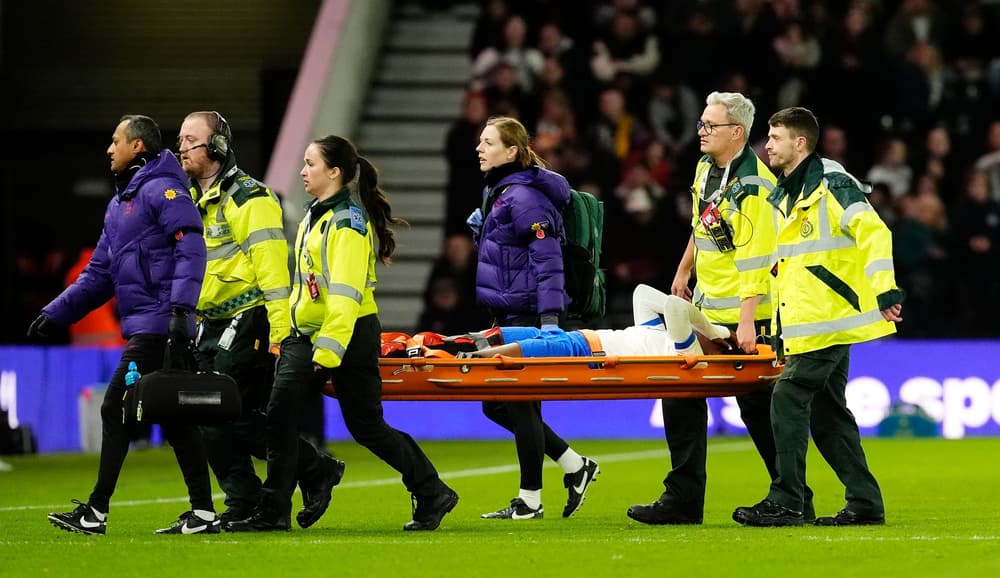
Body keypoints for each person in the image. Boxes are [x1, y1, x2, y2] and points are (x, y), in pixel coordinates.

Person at [227, 135, 458, 532]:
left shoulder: (347, 223)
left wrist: (326, 354)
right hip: (310, 334)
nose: (302, 171)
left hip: (346, 335)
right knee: (280, 414)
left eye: (310, 164)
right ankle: (276, 508)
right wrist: (289, 332)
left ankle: (430, 489)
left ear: (334, 173)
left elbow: (346, 297)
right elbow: (308, 288)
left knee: (366, 427)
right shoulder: (314, 216)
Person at [31, 114, 218, 535]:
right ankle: (204, 513)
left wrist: (180, 311)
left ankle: (96, 512)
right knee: (174, 417)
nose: (108, 148)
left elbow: (192, 248)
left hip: (160, 324)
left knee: (115, 408)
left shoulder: (165, 190)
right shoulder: (119, 206)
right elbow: (98, 275)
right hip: (149, 325)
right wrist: (55, 313)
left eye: (116, 141)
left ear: (137, 146)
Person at [734, 107, 904, 527]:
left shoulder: (831, 182)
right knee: (829, 415)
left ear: (800, 143)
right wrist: (776, 328)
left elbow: (874, 230)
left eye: (775, 137)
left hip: (831, 319)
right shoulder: (785, 194)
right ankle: (865, 503)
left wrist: (886, 288)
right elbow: (785, 267)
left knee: (787, 398)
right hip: (810, 324)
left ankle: (787, 499)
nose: (767, 145)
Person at [628, 91, 792, 526]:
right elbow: (702, 226)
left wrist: (744, 321)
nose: (700, 131)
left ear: (736, 132)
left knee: (757, 406)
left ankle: (790, 492)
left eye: (709, 126)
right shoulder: (705, 168)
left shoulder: (756, 185)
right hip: (705, 304)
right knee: (680, 390)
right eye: (701, 123)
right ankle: (683, 497)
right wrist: (684, 269)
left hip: (748, 314)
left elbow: (759, 257)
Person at [177, 111, 344, 530]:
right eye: (179, 139)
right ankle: (245, 500)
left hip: (248, 318)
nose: (181, 147)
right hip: (213, 322)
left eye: (191, 140)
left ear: (216, 147)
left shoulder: (249, 199)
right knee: (211, 413)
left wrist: (279, 334)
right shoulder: (195, 202)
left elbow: (273, 275)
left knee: (220, 408)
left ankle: (312, 466)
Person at [470, 115, 599, 521]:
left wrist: (547, 319)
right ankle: (574, 466)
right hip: (512, 308)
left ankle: (530, 500)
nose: (480, 148)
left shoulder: (522, 197)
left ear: (511, 151)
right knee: (499, 404)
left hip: (528, 311)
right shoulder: (505, 192)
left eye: (488, 142)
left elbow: (547, 259)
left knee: (519, 405)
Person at [466, 284, 736, 359]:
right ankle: (463, 343)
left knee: (539, 347)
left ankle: (472, 358)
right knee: (534, 336)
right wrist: (710, 329)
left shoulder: (687, 350)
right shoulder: (663, 336)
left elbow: (676, 307)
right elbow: (642, 293)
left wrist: (713, 330)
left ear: (717, 345)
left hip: (590, 352)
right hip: (584, 339)